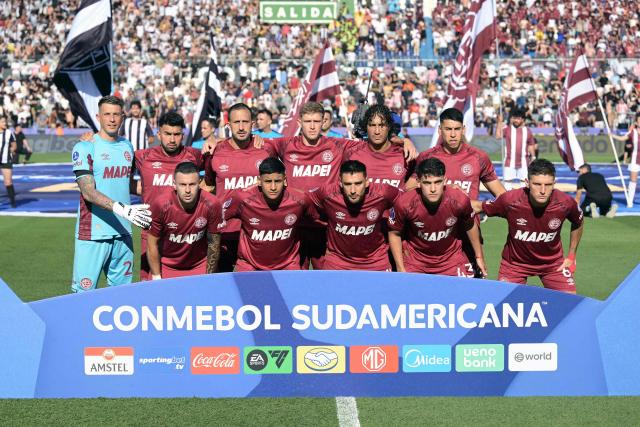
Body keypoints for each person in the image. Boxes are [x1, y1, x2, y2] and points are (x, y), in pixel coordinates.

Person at [264, 101, 416, 269]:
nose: (312, 126)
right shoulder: (285, 144)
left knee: (326, 280)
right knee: (293, 277)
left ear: (324, 122)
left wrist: (403, 141)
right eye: (308, 122)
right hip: (295, 224)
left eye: (316, 121)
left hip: (325, 225)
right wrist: (255, 138)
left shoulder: (338, 145)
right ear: (300, 122)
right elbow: (260, 148)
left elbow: (375, 140)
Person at [71, 96, 151, 292]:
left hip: (123, 231)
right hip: (93, 233)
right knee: (82, 296)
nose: (112, 119)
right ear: (98, 117)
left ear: (123, 117)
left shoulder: (127, 146)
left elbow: (129, 184)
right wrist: (122, 209)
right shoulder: (85, 147)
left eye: (116, 114)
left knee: (122, 296)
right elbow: (88, 191)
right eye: (107, 114)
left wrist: (164, 193)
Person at [472, 159, 584, 294]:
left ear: (554, 184)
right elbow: (478, 207)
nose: (543, 190)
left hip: (553, 264)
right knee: (505, 306)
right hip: (514, 265)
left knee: (570, 303)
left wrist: (571, 255)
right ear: (527, 183)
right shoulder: (510, 200)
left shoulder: (565, 203)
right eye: (537, 184)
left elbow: (578, 221)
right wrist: (452, 197)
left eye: (548, 185)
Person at [416, 108, 505, 276]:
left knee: (472, 292)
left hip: (468, 233)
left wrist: (484, 206)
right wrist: (446, 191)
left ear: (463, 129)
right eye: (448, 129)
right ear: (440, 130)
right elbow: (410, 190)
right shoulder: (426, 157)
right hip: (435, 233)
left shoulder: (478, 157)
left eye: (457, 129)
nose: (453, 134)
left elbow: (502, 195)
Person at [203, 103, 275, 272]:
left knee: (257, 289)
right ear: (228, 125)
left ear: (253, 124)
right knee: (220, 289)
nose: (241, 127)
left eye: (245, 122)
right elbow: (207, 186)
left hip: (257, 233)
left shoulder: (266, 149)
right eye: (236, 122)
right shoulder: (215, 151)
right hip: (223, 232)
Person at [134, 111, 204, 280]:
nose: (172, 140)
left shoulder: (194, 155)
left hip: (186, 234)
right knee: (148, 287)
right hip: (151, 232)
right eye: (167, 134)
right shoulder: (143, 156)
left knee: (186, 285)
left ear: (183, 134)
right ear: (159, 133)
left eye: (177, 134)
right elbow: (118, 175)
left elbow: (214, 177)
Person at [388, 158, 487, 277]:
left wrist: (479, 256)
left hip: (450, 262)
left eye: (438, 182)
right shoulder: (404, 203)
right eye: (427, 183)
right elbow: (394, 233)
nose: (433, 189)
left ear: (445, 181)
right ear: (418, 182)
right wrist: (400, 268)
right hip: (416, 263)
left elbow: (470, 225)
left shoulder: (459, 200)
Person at [307, 160, 400, 271]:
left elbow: (406, 202)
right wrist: (320, 221)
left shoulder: (384, 193)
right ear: (340, 183)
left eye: (358, 183)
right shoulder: (327, 194)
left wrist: (393, 222)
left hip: (375, 261)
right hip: (338, 261)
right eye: (347, 184)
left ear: (366, 182)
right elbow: (302, 202)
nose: (352, 190)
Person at [224, 157, 314, 271]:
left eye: (277, 181)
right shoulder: (242, 199)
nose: (273, 187)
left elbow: (314, 219)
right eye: (267, 181)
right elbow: (217, 217)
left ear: (285, 180)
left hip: (288, 265)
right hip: (250, 265)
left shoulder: (300, 200)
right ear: (259, 181)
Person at [147, 161, 222, 279]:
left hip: (199, 266)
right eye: (182, 184)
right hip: (167, 266)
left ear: (200, 183)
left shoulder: (212, 204)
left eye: (192, 184)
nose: (187, 190)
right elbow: (152, 244)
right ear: (174, 184)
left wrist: (209, 277)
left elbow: (214, 244)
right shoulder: (161, 205)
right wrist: (157, 277)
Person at [346, 104, 415, 189]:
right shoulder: (352, 153)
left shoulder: (405, 155)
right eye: (372, 125)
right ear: (366, 127)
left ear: (389, 127)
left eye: (382, 125)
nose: (377, 131)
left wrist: (406, 141)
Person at [495, 108, 537, 190]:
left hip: (524, 162)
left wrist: (533, 157)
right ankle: (508, 202)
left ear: (522, 119)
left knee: (525, 184)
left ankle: (523, 202)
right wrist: (499, 122)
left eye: (518, 118)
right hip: (509, 161)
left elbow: (531, 145)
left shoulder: (527, 131)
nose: (516, 120)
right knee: (507, 185)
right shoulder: (508, 129)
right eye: (514, 118)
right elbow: (498, 136)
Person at [612, 113, 640, 207]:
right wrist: (612, 136)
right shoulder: (633, 132)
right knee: (633, 181)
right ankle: (630, 201)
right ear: (636, 122)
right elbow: (622, 138)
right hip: (635, 160)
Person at [0, 116, 17, 208]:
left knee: (8, 182)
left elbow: (14, 145)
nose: (5, 123)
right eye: (2, 122)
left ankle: (13, 201)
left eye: (5, 122)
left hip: (6, 160)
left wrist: (10, 151)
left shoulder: (9, 133)